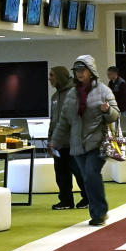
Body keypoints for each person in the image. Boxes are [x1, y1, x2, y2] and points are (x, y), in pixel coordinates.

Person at [49, 55, 119, 226]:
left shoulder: (104, 91)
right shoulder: (72, 94)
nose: (80, 74)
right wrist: (54, 141)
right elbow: (64, 121)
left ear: (91, 71)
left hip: (98, 142)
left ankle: (98, 213)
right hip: (77, 145)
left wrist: (107, 110)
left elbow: (115, 115)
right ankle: (97, 210)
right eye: (77, 71)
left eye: (83, 70)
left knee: (90, 174)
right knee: (87, 178)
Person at [48, 66, 87, 210]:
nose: (50, 78)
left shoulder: (75, 93)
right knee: (61, 174)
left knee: (79, 172)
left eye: (52, 75)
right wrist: (50, 139)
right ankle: (66, 200)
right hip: (59, 144)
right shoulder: (54, 97)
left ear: (59, 76)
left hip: (74, 142)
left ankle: (87, 198)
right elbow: (53, 120)